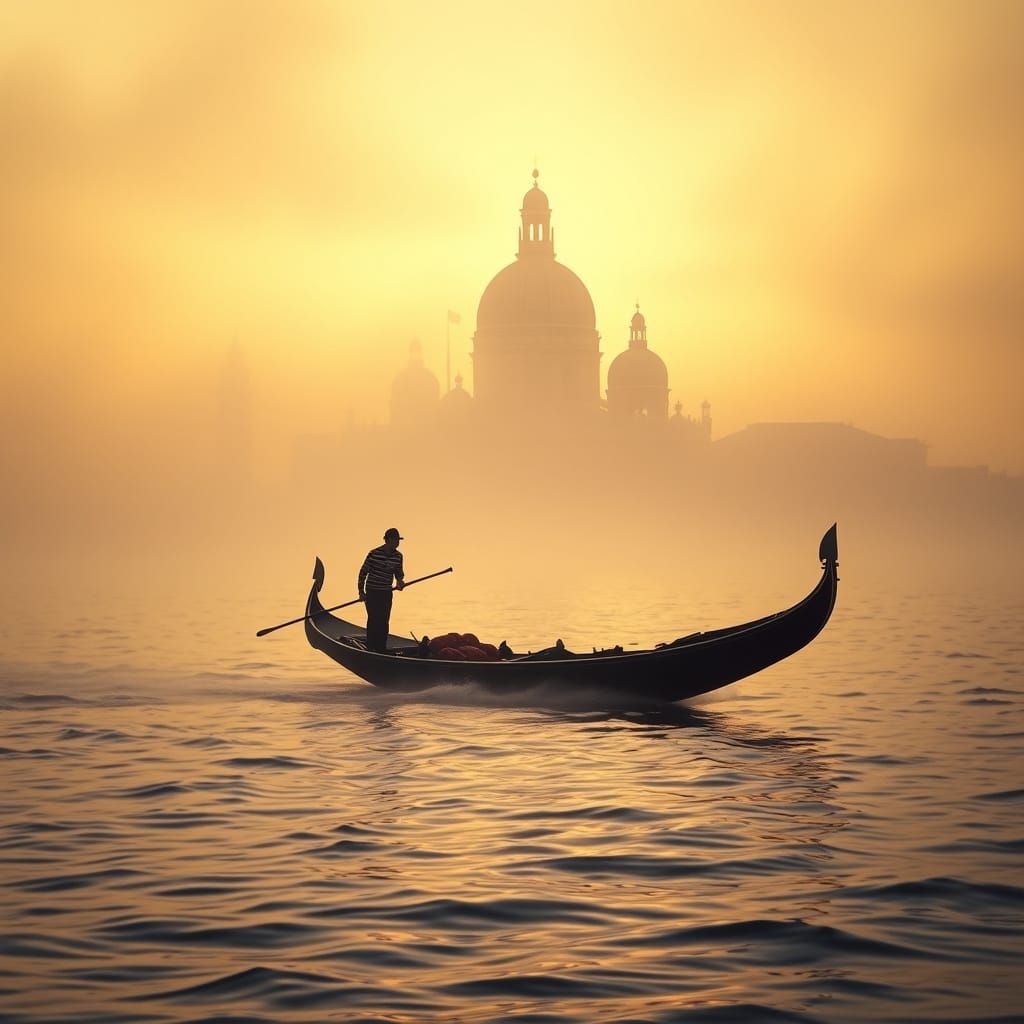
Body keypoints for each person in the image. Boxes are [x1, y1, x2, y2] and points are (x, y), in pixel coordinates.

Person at [358, 527, 405, 652]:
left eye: (398, 540)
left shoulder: (398, 556)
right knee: (374, 619)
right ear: (388, 540)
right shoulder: (374, 554)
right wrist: (361, 592)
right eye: (395, 540)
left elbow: (399, 573)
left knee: (384, 621)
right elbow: (363, 573)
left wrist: (400, 582)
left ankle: (381, 649)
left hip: (386, 592)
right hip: (372, 591)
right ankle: (371, 648)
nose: (397, 543)